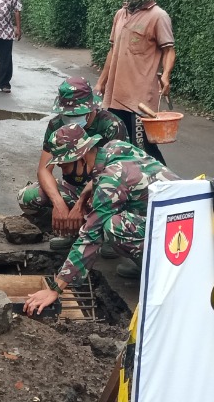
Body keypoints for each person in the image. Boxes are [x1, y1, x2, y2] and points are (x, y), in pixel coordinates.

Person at [23, 124, 179, 314]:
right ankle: (147, 261)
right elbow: (102, 176)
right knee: (109, 216)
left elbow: (90, 238)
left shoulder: (111, 181)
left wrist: (55, 289)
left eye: (65, 165)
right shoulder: (113, 147)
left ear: (80, 158)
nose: (63, 172)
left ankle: (161, 274)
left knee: (115, 226)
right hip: (173, 215)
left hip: (176, 230)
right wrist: (82, 197)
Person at [17, 77, 127, 251]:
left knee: (109, 211)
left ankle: (103, 235)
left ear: (90, 108)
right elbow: (44, 170)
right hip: (74, 187)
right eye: (67, 114)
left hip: (104, 190)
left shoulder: (111, 125)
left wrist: (80, 204)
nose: (70, 119)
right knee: (28, 196)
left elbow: (118, 174)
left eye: (76, 114)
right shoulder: (56, 125)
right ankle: (70, 230)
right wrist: (58, 203)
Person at [95, 0, 175, 166]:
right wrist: (101, 82)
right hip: (115, 96)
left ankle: (168, 186)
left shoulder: (158, 16)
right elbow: (113, 51)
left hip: (140, 99)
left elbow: (168, 50)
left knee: (144, 147)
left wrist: (166, 75)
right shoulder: (120, 15)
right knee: (115, 144)